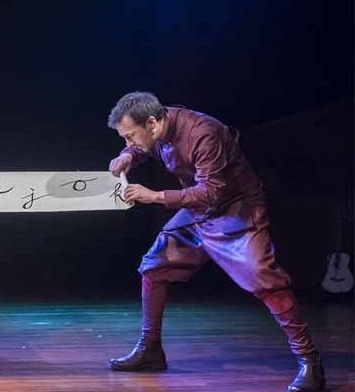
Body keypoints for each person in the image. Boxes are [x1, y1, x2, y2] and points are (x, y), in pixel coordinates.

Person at [106, 92, 324, 392]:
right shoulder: (157, 125)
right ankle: (150, 349)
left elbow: (212, 191)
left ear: (152, 123)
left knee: (263, 277)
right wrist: (129, 155)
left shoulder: (203, 133)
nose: (128, 141)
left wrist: (155, 196)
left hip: (235, 210)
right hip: (199, 211)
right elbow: (144, 148)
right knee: (154, 265)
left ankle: (309, 360)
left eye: (130, 136)